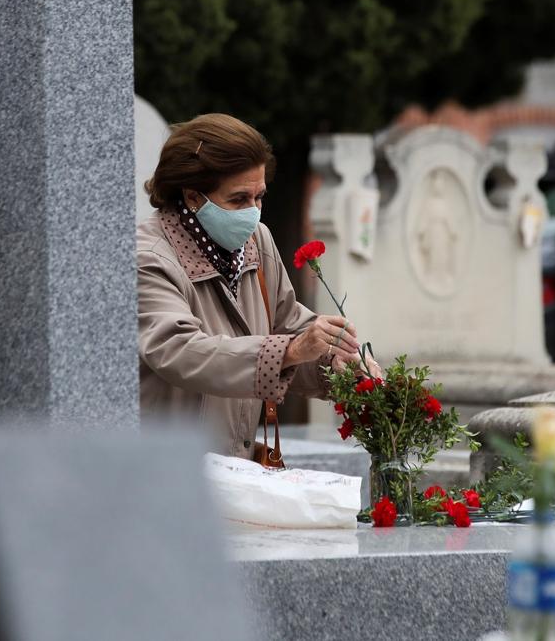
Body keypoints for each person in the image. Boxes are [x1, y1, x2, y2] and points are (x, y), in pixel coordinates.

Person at [137, 113, 379, 460]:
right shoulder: (150, 257)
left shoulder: (256, 241)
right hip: (168, 472)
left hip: (238, 469)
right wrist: (291, 350)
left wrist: (340, 363)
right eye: (238, 200)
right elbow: (179, 350)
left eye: (259, 197)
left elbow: (288, 325)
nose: (253, 213)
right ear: (192, 196)